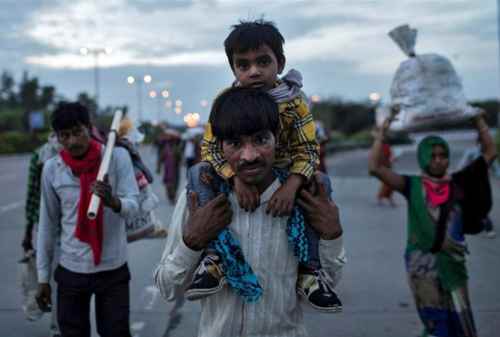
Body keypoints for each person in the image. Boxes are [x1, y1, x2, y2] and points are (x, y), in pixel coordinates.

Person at [154, 87, 345, 337]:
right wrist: (193, 242)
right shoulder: (201, 200)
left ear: (277, 137)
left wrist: (332, 235)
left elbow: (327, 284)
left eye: (260, 140)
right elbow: (168, 289)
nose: (249, 155)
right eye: (235, 143)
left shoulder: (304, 198)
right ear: (219, 146)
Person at [191, 19, 340, 312]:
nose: (254, 71)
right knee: (198, 172)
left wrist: (291, 186)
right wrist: (235, 179)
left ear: (280, 62)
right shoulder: (226, 101)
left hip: (286, 173)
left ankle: (310, 271)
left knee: (322, 182)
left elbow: (308, 148)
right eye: (243, 65)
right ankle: (213, 259)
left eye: (263, 61)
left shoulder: (294, 102)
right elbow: (210, 147)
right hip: (238, 171)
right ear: (233, 69)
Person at [368, 109, 497, 337]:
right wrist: (383, 131)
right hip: (422, 266)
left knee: (460, 320)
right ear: (423, 157)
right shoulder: (412, 185)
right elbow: (375, 168)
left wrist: (478, 121)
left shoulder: (459, 181)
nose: (438, 160)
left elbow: (490, 152)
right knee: (436, 324)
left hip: (454, 265)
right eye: (433, 155)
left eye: (442, 155)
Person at [35, 102, 139, 337]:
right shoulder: (53, 168)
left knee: (116, 332)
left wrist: (113, 201)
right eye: (65, 136)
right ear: (57, 137)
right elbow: (47, 226)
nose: (72, 141)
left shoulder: (116, 157)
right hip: (71, 270)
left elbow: (134, 207)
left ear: (89, 129)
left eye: (77, 133)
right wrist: (43, 278)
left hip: (113, 269)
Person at [21, 133, 62, 337]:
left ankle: (60, 327)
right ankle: (58, 327)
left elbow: (31, 196)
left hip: (67, 229)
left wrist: (28, 231)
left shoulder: (42, 154)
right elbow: (33, 194)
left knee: (61, 282)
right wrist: (28, 232)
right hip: (49, 227)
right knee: (55, 281)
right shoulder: (40, 157)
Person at [457, 132, 499, 238]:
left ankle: (483, 225)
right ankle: (487, 227)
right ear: (478, 142)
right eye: (483, 142)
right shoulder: (471, 153)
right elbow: (461, 165)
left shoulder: (488, 156)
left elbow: (496, 169)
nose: (485, 145)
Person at [376, 140, 397, 207]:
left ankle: (383, 198)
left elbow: (391, 156)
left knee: (388, 184)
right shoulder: (381, 147)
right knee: (388, 184)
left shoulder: (386, 147)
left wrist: (393, 159)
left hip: (388, 167)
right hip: (384, 168)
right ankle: (387, 199)